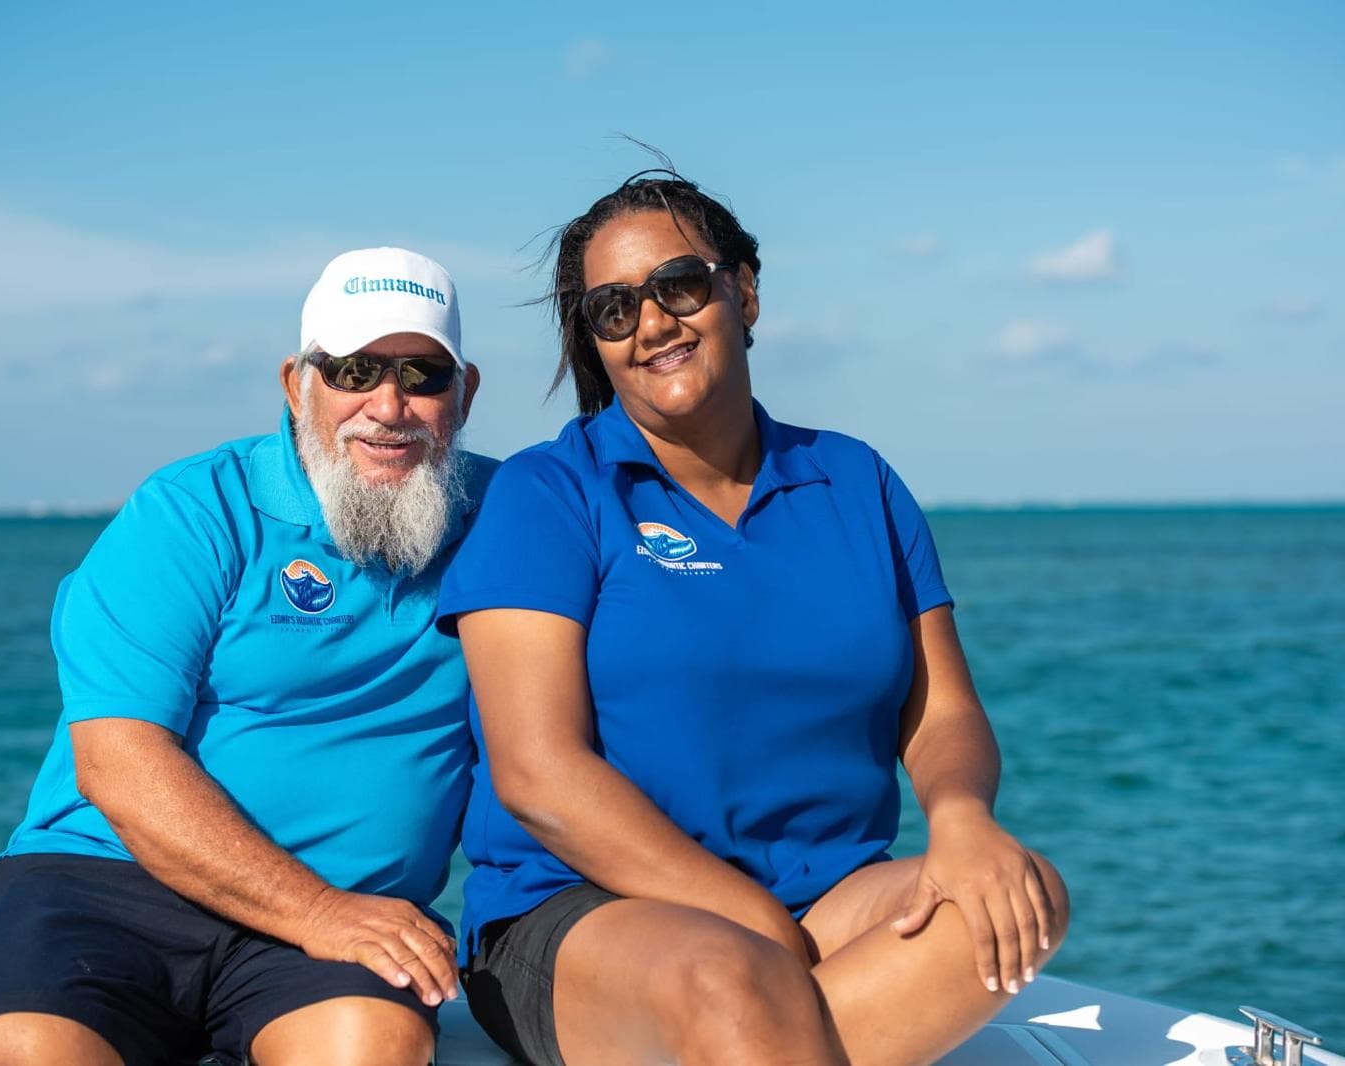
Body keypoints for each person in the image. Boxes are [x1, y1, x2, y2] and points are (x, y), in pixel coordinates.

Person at [433, 172, 1071, 1066]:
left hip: (823, 899)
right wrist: (754, 922)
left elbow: (943, 714)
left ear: (745, 290)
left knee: (1015, 895)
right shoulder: (549, 495)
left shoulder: (858, 482)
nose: (651, 322)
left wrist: (962, 819)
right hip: (582, 909)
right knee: (731, 983)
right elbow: (540, 776)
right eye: (614, 310)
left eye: (678, 286)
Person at [0, 247, 492, 1066]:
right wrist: (315, 910)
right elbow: (119, 760)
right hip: (107, 885)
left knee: (374, 1046)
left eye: (423, 374)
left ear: (465, 393)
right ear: (297, 383)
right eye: (353, 369)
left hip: (344, 917)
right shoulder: (193, 511)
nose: (388, 405)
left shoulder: (512, 521)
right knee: (34, 1049)